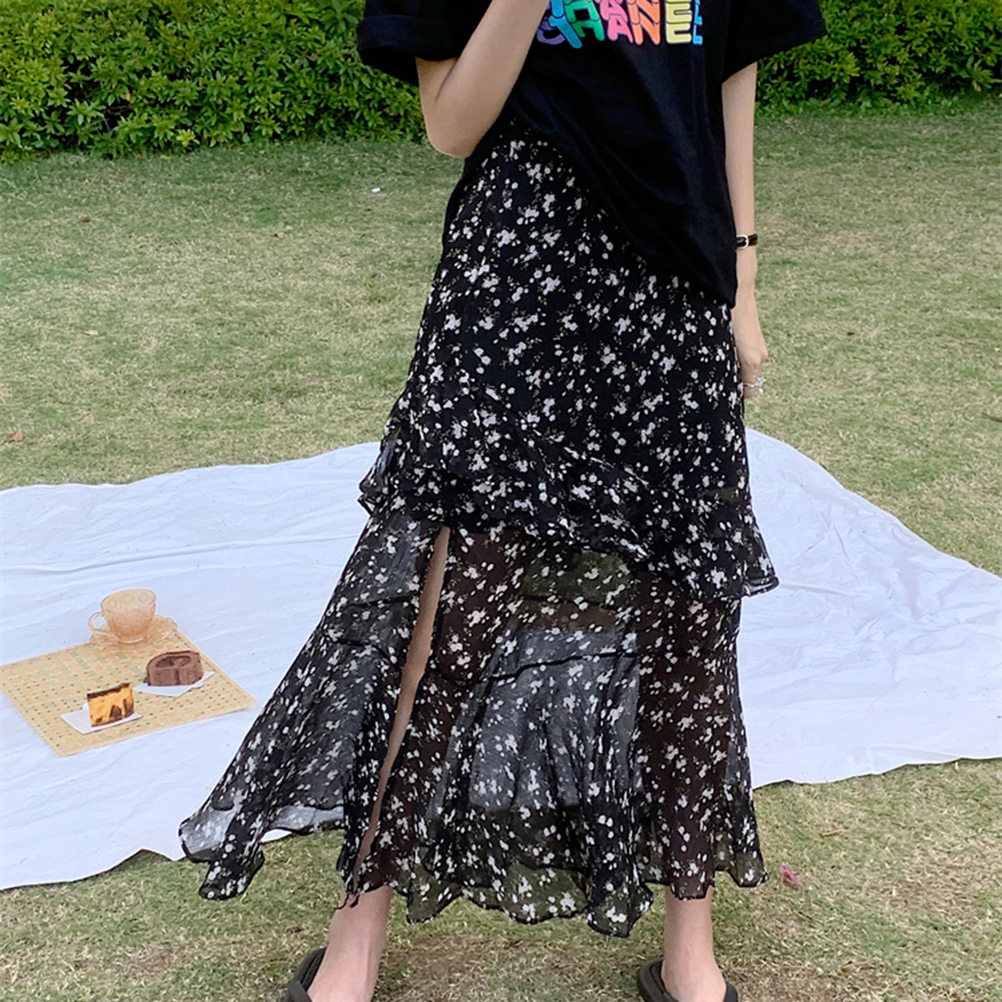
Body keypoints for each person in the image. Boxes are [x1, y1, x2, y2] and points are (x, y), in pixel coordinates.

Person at [179, 0, 828, 1000]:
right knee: (450, 606)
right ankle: (357, 932)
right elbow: (450, 125)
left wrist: (743, 283)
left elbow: (727, 77)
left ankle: (690, 947)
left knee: (690, 609)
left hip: (678, 281)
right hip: (518, 267)